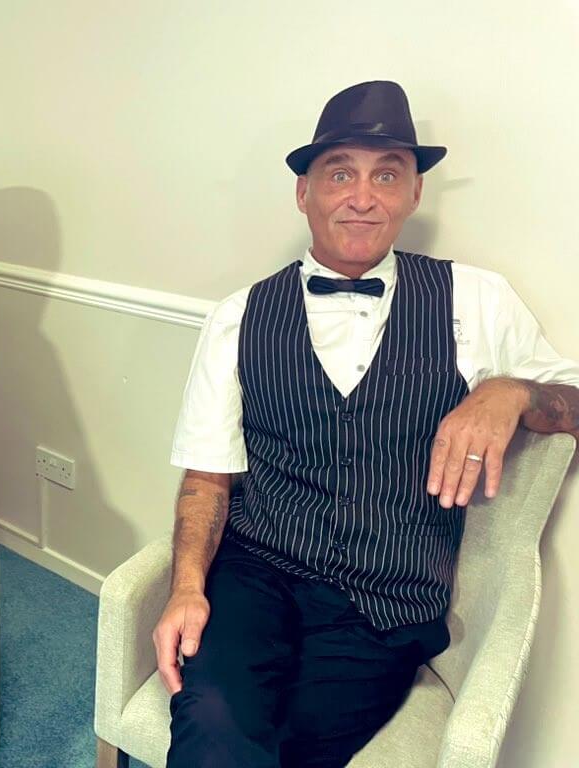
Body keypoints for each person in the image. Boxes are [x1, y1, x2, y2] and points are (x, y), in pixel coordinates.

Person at [155, 80, 579, 767]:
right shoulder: (237, 317)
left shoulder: (478, 299)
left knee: (294, 748)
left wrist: (514, 391)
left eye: (387, 174)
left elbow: (574, 400)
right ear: (304, 193)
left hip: (388, 602)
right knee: (211, 720)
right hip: (257, 572)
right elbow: (207, 479)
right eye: (339, 174)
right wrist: (185, 590)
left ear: (414, 193)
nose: (363, 196)